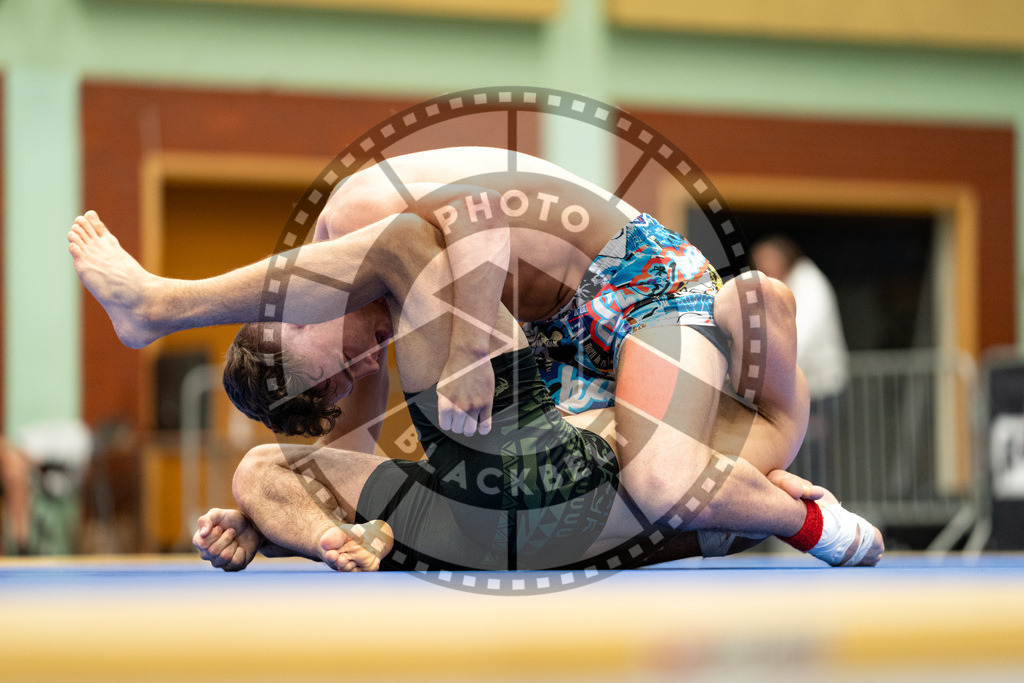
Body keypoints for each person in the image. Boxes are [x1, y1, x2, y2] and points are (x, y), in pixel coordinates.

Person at [69, 195, 882, 570]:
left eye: (341, 365)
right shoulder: (733, 430)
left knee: (400, 249)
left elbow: (473, 240)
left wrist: (799, 514)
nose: (367, 367)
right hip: (470, 510)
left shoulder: (719, 444)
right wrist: (286, 527)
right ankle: (335, 543)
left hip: (529, 486)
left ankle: (164, 305)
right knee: (257, 472)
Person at [752, 235, 849, 481]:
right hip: (802, 388)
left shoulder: (807, 283)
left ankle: (814, 505)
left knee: (811, 460)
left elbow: (800, 337)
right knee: (800, 460)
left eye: (767, 261)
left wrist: (767, 371)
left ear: (784, 258)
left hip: (820, 390)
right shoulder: (790, 284)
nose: (762, 269)